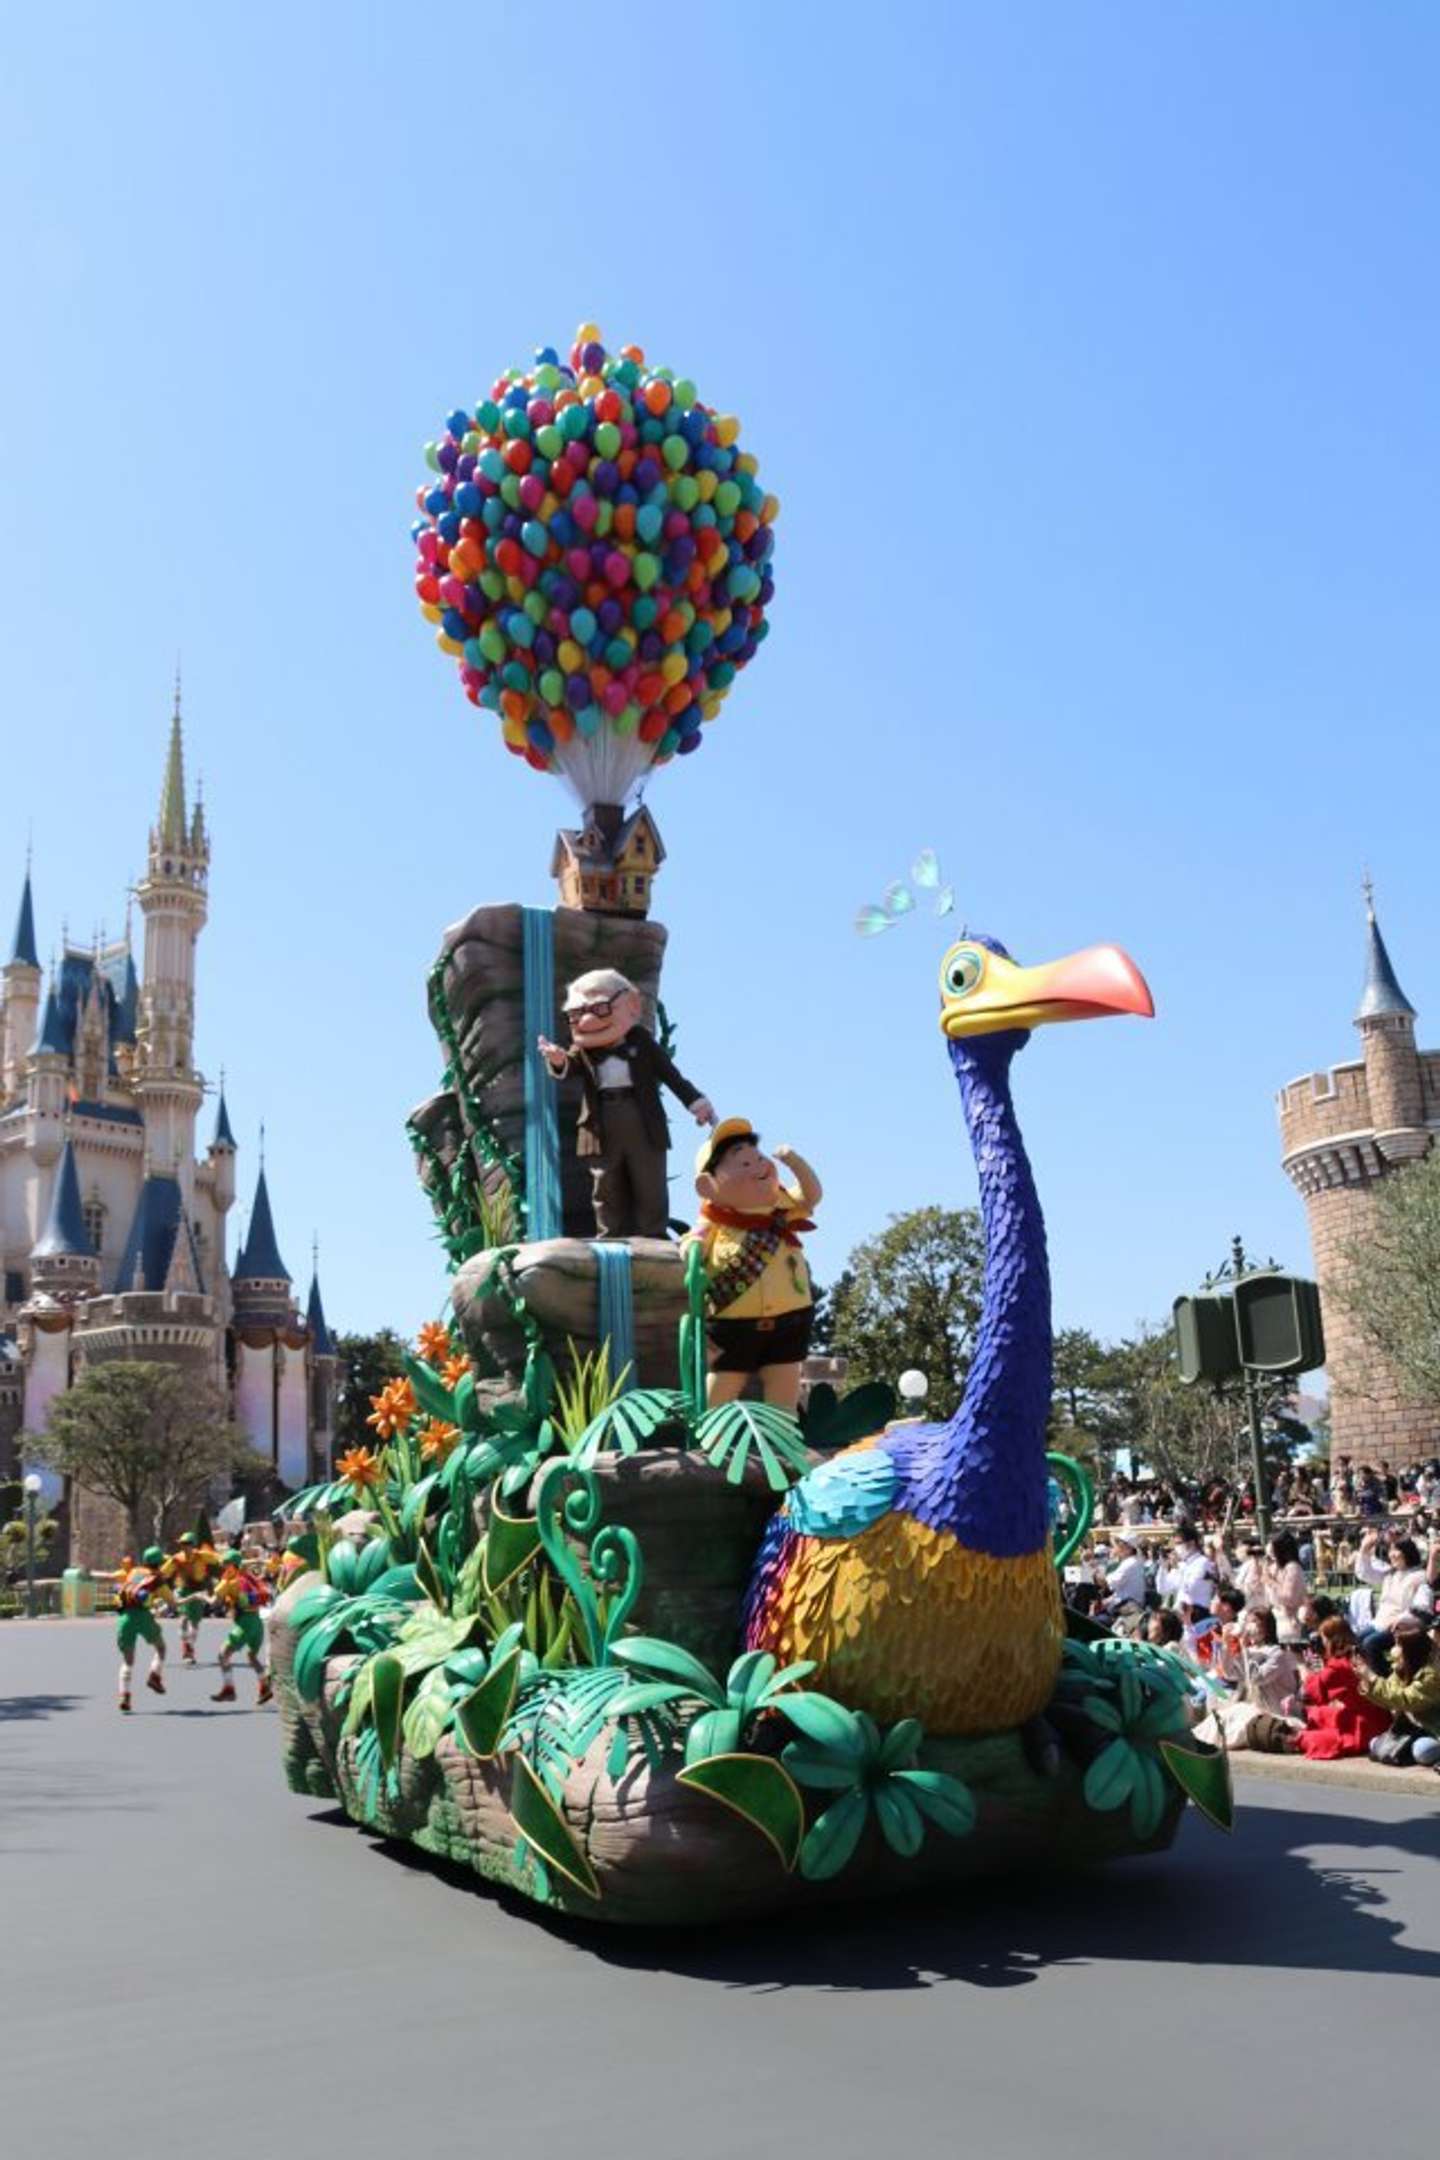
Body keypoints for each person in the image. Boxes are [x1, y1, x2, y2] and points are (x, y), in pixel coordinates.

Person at [537, 969, 715, 1239]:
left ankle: (653, 1233)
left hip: (641, 1117)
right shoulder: (584, 1050)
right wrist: (558, 1059)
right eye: (576, 1014)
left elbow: (671, 1076)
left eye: (600, 1008)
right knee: (605, 1180)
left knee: (649, 1178)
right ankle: (609, 1234)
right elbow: (569, 1066)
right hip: (601, 1121)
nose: (586, 1019)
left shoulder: (642, 1042)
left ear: (631, 1005)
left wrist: (695, 1102)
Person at [686, 1120, 822, 1412]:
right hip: (733, 1325)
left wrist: (794, 1162)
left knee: (784, 1382)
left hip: (790, 1319)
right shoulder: (714, 1222)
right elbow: (692, 1242)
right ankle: (710, 1438)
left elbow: (812, 1195)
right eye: (744, 1163)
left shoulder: (782, 1206)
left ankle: (781, 1441)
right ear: (708, 1185)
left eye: (758, 1158)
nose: (758, 1165)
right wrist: (692, 1250)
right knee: (724, 1383)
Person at [1292, 1617, 1390, 1760]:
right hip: (1378, 1718)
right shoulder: (1356, 1656)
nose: (1322, 1643)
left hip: (1362, 1726)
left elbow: (1312, 1692)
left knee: (1310, 1733)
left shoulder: (1337, 1667)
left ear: (1333, 1640)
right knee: (1318, 1714)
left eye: (1324, 1639)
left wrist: (1300, 1664)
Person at [1361, 1618, 1440, 1767]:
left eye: (1398, 1643)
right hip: (1409, 1727)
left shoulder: (1433, 1672)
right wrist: (1367, 1682)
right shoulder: (1404, 1666)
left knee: (1422, 1750)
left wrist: (1372, 1679)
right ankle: (1403, 1750)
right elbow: (1389, 1696)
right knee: (1373, 1744)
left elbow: (1407, 1700)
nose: (1394, 1648)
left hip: (1431, 1729)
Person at [1354, 1531, 1434, 1675]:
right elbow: (1364, 1573)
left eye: (1396, 1550)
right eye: (1390, 1550)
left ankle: (1386, 1680)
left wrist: (1400, 1619)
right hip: (1380, 1623)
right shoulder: (1390, 1574)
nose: (1392, 1554)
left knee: (1370, 1644)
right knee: (1357, 1641)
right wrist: (1364, 1549)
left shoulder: (1419, 1576)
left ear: (1407, 1552)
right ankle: (1370, 1676)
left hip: (1403, 1626)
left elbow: (1422, 1607)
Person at [210, 1549, 273, 1705]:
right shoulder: (249, 1578)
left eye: (226, 1564)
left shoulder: (229, 1582)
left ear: (232, 1565)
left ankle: (229, 1689)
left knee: (222, 1654)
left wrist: (198, 1596)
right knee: (252, 1657)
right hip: (257, 1623)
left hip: (245, 1623)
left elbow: (214, 1602)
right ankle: (264, 1687)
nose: (224, 1567)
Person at [115, 1547, 173, 1713]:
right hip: (143, 1617)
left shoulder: (133, 1572)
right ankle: (155, 1675)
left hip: (125, 1618)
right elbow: (172, 1603)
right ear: (159, 1563)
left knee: (128, 1661)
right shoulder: (158, 1580)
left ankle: (124, 1695)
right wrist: (163, 1607)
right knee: (161, 1648)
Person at [161, 1530, 221, 1666]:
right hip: (183, 1591)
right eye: (182, 1544)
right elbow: (163, 1573)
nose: (184, 1546)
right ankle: (186, 1647)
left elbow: (220, 1559)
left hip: (198, 1591)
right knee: (183, 1619)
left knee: (194, 1623)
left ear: (193, 1545)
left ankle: (190, 1648)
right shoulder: (176, 1559)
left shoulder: (202, 1556)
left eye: (187, 1544)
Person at [1262, 1531, 1309, 1645]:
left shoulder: (1293, 1568)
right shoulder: (1276, 1568)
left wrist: (1271, 1582)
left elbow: (1289, 1598)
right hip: (1275, 1618)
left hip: (1289, 1621)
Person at [1097, 1532, 1148, 1621]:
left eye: (1119, 1544)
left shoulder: (1130, 1563)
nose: (1116, 1547)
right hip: (1122, 1606)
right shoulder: (1131, 1561)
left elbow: (1106, 1583)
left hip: (1125, 1610)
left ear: (1128, 1548)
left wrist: (1092, 1572)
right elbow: (1119, 1590)